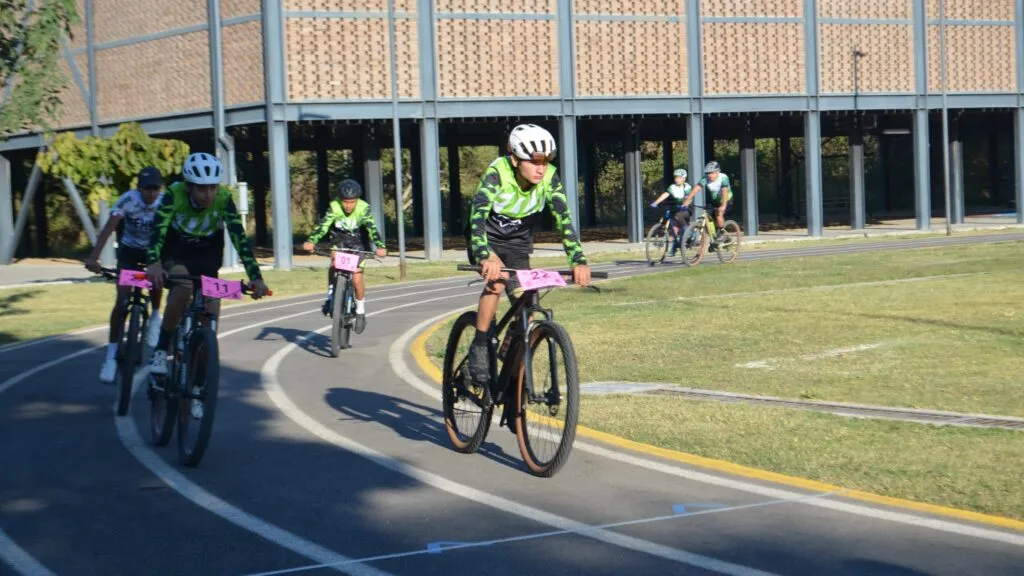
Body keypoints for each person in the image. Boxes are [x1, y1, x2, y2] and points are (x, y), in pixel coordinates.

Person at [466, 123, 591, 387]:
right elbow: (477, 216)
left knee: (528, 310)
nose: (540, 168)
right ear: (514, 158)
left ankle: (509, 367)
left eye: (545, 162)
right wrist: (484, 255)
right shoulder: (497, 173)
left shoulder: (549, 178)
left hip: (518, 244)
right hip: (486, 239)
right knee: (497, 281)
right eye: (534, 162)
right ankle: (479, 345)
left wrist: (578, 260)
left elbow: (564, 219)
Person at [145, 152, 269, 376]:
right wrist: (153, 262)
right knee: (183, 287)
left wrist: (256, 276)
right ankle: (161, 350)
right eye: (202, 188)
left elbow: (239, 237)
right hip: (177, 251)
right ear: (189, 186)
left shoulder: (223, 198)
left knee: (210, 316)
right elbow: (158, 229)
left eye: (212, 187)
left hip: (207, 252)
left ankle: (200, 386)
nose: (208, 194)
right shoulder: (174, 194)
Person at [85, 166, 165, 383]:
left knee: (156, 280)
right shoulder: (127, 200)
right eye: (147, 189)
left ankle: (156, 314)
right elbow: (109, 228)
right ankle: (110, 358)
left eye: (155, 189)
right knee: (121, 302)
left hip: (154, 253)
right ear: (139, 189)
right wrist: (94, 257)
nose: (151, 193)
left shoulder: (165, 202)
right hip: (129, 253)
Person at [301, 178, 387, 334]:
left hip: (358, 243)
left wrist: (380, 246)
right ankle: (330, 296)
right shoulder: (334, 208)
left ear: (357, 200)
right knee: (334, 263)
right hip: (339, 240)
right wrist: (311, 241)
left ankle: (360, 310)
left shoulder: (363, 208)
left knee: (356, 279)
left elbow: (371, 228)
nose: (348, 206)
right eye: (345, 202)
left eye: (352, 202)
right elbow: (323, 226)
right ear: (340, 200)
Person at [681, 160, 733, 245]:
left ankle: (721, 233)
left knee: (718, 213)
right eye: (707, 173)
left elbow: (724, 192)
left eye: (711, 173)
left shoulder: (723, 177)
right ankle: (714, 238)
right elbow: (695, 190)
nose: (709, 175)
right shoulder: (705, 179)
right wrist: (686, 202)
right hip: (715, 200)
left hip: (726, 199)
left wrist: (723, 205)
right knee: (707, 216)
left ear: (717, 172)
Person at [649, 168, 692, 255]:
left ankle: (688, 231)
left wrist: (684, 204)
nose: (677, 179)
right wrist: (656, 202)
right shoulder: (672, 187)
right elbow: (665, 194)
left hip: (687, 209)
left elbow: (687, 197)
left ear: (684, 179)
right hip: (676, 208)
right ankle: (675, 245)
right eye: (676, 177)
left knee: (678, 216)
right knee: (673, 227)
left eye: (679, 177)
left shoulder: (687, 187)